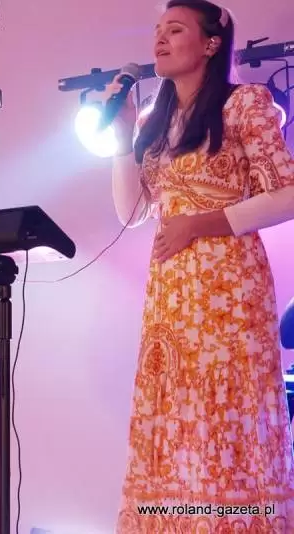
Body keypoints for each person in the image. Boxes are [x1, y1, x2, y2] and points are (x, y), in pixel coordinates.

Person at [107, 0, 294, 531]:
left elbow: (288, 194)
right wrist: (121, 139)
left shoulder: (245, 104)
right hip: (171, 295)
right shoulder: (155, 121)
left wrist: (200, 224)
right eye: (157, 30)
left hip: (228, 290)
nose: (160, 39)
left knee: (225, 418)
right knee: (177, 420)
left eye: (175, 29)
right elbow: (131, 213)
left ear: (211, 43)